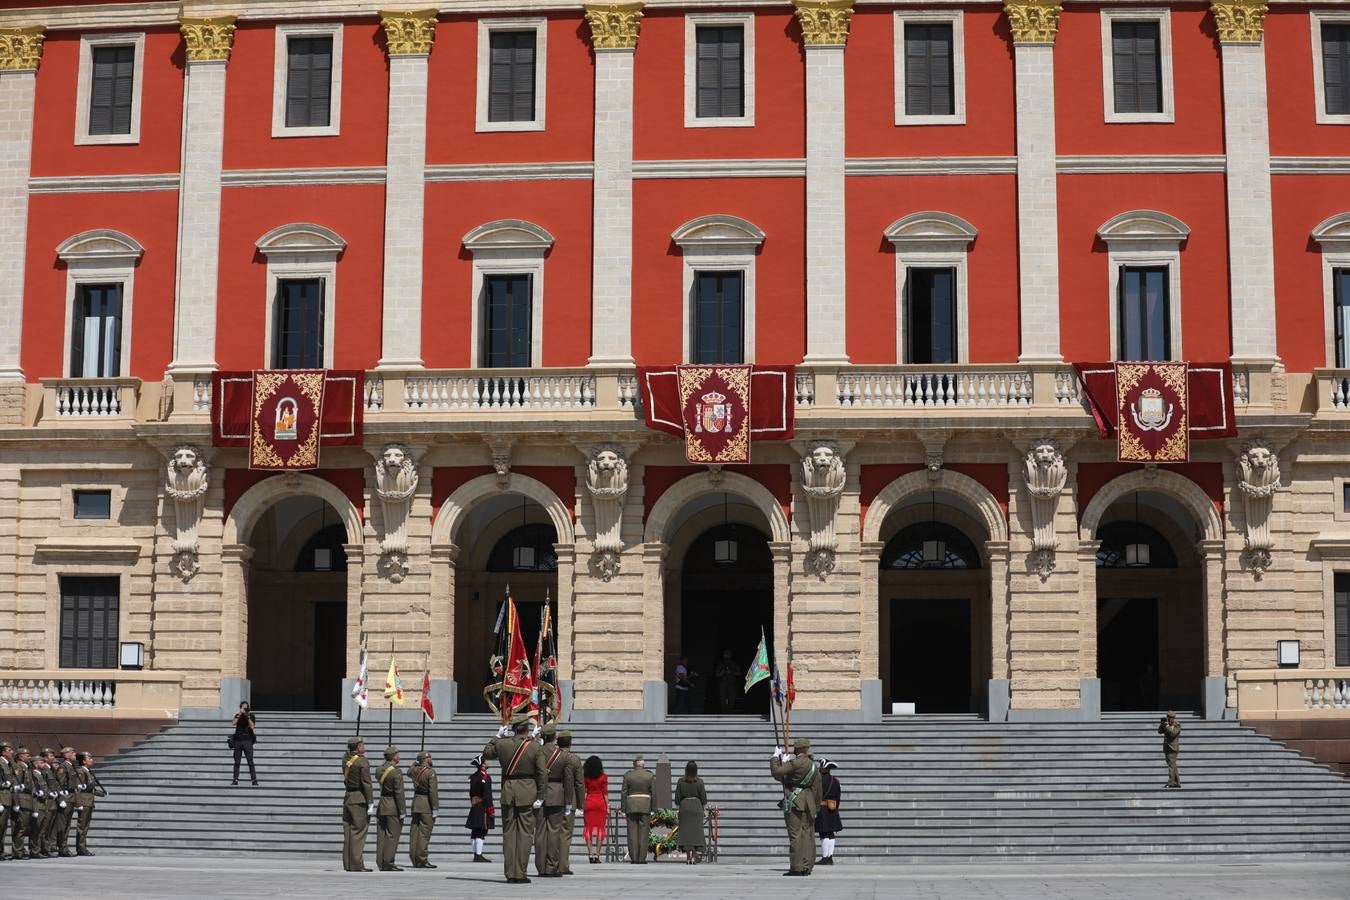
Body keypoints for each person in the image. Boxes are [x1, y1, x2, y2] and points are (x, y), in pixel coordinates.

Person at [482, 713, 547, 884]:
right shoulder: (534, 747)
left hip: (508, 791)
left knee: (509, 834)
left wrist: (497, 736)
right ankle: (520, 872)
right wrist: (541, 795)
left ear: (512, 729)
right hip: (527, 791)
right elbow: (541, 773)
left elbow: (486, 753)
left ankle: (510, 872)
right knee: (525, 834)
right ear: (526, 728)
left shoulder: (503, 744)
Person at [770, 737, 822, 877]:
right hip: (809, 803)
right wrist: (816, 807)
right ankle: (807, 866)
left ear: (798, 749)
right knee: (808, 836)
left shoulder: (796, 762)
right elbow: (817, 788)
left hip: (795, 801)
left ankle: (796, 867)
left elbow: (777, 773)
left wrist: (775, 758)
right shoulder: (813, 765)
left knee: (795, 835)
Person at [341, 736, 373, 873]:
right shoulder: (362, 761)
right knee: (358, 833)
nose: (364, 747)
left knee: (348, 832)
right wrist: (370, 801)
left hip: (348, 797)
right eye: (362, 745)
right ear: (358, 747)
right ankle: (356, 864)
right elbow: (366, 783)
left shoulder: (345, 759)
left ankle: (348, 863)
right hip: (359, 798)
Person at [556, 731, 584, 875]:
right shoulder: (574, 759)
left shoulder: (552, 757)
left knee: (551, 832)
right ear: (570, 743)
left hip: (552, 797)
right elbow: (579, 784)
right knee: (565, 833)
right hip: (569, 799)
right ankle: (562, 865)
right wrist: (580, 804)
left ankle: (550, 863)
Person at [376, 745, 406, 871]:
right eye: (398, 754)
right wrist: (402, 810)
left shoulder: (379, 770)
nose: (399, 756)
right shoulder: (396, 772)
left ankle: (381, 862)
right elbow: (399, 793)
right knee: (392, 835)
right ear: (394, 756)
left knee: (381, 835)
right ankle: (388, 862)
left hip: (382, 803)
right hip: (393, 805)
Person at [408, 750, 439, 869]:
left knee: (414, 833)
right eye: (430, 757)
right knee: (424, 834)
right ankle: (422, 859)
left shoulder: (414, 770)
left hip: (416, 803)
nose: (431, 759)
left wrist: (415, 762)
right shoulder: (430, 772)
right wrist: (435, 807)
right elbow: (433, 792)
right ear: (426, 759)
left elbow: (408, 771)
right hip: (426, 805)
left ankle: (414, 859)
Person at [620, 754, 654, 864]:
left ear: (634, 764)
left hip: (631, 805)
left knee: (632, 832)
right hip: (645, 805)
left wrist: (623, 808)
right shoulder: (649, 775)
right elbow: (654, 792)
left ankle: (634, 858)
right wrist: (653, 807)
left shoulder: (628, 775)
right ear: (643, 765)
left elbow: (624, 792)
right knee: (644, 832)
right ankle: (642, 858)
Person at [72, 751, 105, 857]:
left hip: (89, 802)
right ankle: (81, 848)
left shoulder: (88, 771)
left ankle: (82, 847)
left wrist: (102, 793)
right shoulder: (81, 772)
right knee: (82, 826)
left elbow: (90, 789)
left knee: (85, 826)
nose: (91, 760)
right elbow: (78, 789)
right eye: (89, 758)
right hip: (84, 802)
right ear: (83, 761)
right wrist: (79, 803)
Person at [674, 760, 707, 864]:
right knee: (696, 833)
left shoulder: (680, 781)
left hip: (685, 807)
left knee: (686, 833)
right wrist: (704, 810)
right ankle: (694, 856)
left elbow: (677, 798)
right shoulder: (700, 782)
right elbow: (703, 798)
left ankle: (688, 857)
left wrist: (679, 809)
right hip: (697, 807)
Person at [465, 754, 495, 863]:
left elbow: (471, 793)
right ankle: (478, 855)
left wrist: (474, 801)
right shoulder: (485, 777)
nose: (487, 763)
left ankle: (476, 854)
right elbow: (487, 795)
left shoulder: (473, 777)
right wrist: (490, 809)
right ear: (482, 765)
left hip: (475, 805)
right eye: (485, 762)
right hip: (482, 807)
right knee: (481, 831)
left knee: (475, 831)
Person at [815, 757, 842, 866]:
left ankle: (825, 857)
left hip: (822, 809)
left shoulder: (818, 780)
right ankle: (830, 856)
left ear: (823, 768)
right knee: (830, 833)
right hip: (833, 808)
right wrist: (835, 808)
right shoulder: (836, 781)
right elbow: (839, 798)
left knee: (823, 833)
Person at [582, 755, 608, 864]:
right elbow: (605, 793)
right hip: (600, 803)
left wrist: (583, 804)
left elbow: (584, 791)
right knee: (600, 829)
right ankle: (597, 854)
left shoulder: (585, 777)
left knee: (588, 828)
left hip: (589, 802)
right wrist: (608, 806)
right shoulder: (603, 777)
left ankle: (590, 854)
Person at [54, 746, 77, 857]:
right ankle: (62, 848)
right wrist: (61, 799)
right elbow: (60, 784)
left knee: (67, 825)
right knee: (62, 825)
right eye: (72, 753)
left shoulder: (71, 766)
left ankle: (64, 846)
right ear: (67, 755)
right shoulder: (63, 767)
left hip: (71, 797)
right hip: (66, 798)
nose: (74, 754)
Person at [11, 747, 32, 860]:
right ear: (20, 756)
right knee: (20, 827)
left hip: (27, 800)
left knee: (24, 827)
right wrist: (16, 802)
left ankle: (21, 849)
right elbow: (16, 786)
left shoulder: (26, 767)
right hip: (22, 799)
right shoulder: (19, 766)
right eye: (26, 754)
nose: (29, 756)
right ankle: (18, 851)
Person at [231, 701, 258, 786]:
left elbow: (252, 726)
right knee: (237, 762)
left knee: (250, 761)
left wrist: (247, 716)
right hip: (238, 741)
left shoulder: (251, 716)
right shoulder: (238, 715)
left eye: (246, 707)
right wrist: (239, 714)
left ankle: (254, 780)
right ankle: (235, 779)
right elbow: (233, 723)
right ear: (241, 707)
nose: (245, 709)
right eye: (243, 707)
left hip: (247, 741)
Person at [1159, 712, 1182, 788]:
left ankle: (1171, 782)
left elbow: (1172, 734)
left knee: (1171, 766)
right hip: (1167, 748)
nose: (1169, 719)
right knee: (1173, 765)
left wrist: (1167, 726)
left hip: (1173, 748)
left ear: (1173, 718)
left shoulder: (1177, 725)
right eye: (1168, 718)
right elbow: (1159, 731)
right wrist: (1162, 724)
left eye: (1170, 718)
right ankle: (1177, 782)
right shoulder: (1167, 725)